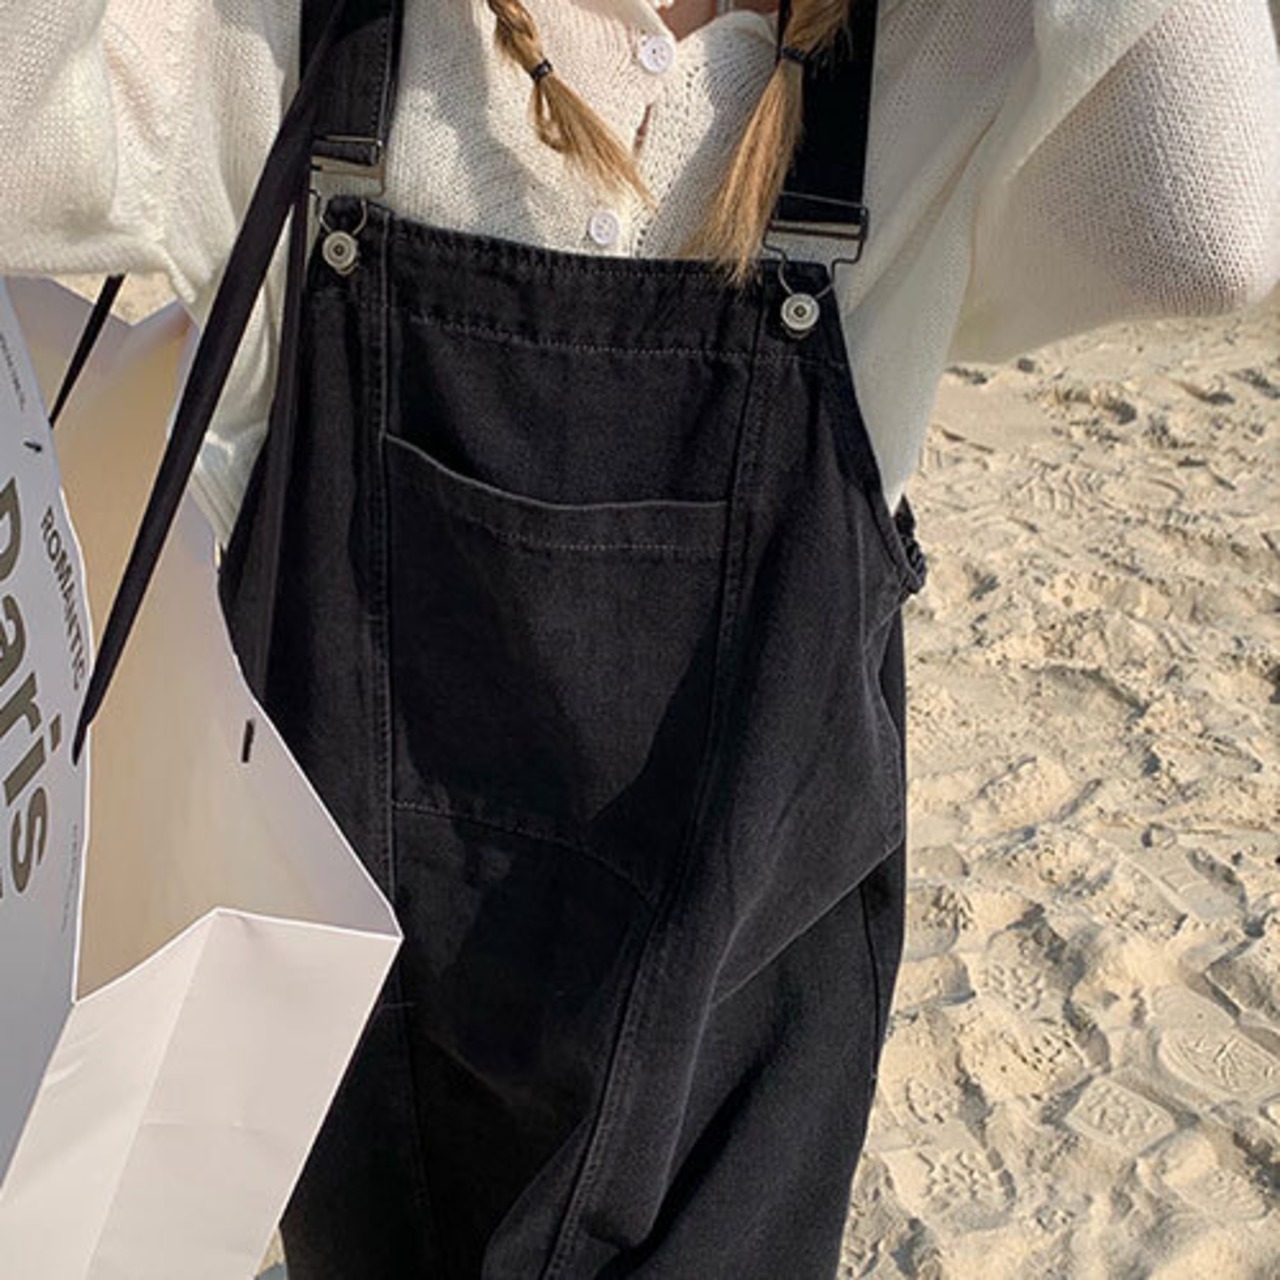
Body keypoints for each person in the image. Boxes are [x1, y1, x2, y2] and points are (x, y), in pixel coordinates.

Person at [2, 1, 1276, 1277]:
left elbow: (1208, 222)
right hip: (365, 1054)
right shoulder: (291, 38)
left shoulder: (928, 60)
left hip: (730, 1087)